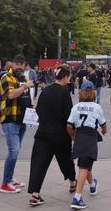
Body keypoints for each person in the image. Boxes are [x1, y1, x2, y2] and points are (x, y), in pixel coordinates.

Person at [27, 65, 77, 206]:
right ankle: (73, 183)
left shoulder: (45, 90)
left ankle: (35, 194)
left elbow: (38, 111)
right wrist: (72, 134)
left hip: (42, 133)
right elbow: (69, 116)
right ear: (66, 77)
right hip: (60, 134)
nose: (70, 78)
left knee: (39, 164)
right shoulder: (64, 92)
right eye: (70, 76)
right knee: (66, 160)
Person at [67, 80, 108, 210]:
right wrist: (104, 131)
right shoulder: (96, 107)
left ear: (81, 92)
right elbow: (103, 124)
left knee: (84, 162)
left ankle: (92, 184)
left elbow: (69, 125)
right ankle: (77, 198)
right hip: (90, 136)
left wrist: (73, 136)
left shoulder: (76, 106)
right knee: (84, 165)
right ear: (93, 92)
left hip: (79, 135)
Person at [0, 54, 34, 193]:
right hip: (9, 118)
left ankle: (10, 178)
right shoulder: (6, 77)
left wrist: (32, 110)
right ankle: (5, 183)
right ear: (12, 64)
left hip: (22, 118)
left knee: (15, 150)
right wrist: (25, 86)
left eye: (22, 64)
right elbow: (11, 95)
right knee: (14, 151)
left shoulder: (23, 77)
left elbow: (28, 96)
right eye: (17, 63)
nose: (19, 66)